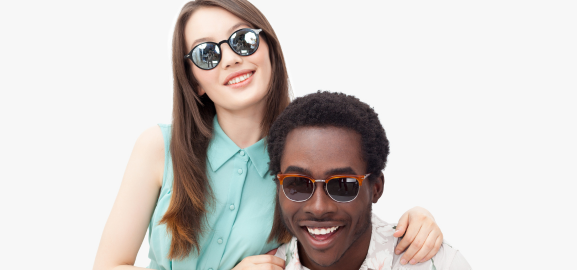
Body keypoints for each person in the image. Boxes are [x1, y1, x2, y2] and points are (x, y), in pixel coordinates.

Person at [93, 1, 446, 269]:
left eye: (243, 41)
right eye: (207, 54)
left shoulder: (301, 160)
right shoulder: (159, 147)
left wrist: (416, 218)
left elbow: (347, 209)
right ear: (194, 82)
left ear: (269, 49)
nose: (230, 58)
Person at [266, 91, 471, 270]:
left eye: (342, 185)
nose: (319, 208)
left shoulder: (440, 265)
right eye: (298, 184)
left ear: (376, 188)